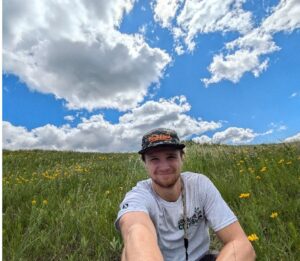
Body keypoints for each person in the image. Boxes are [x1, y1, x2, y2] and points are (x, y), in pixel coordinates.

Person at [115, 128, 256, 261]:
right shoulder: (138, 196)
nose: (164, 167)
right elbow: (135, 229)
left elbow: (242, 245)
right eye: (154, 159)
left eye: (171, 157)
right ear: (145, 163)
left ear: (182, 158)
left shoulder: (199, 185)